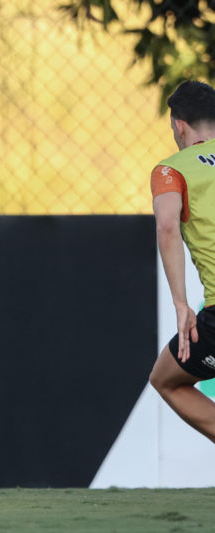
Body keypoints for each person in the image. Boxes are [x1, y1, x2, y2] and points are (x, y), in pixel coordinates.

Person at [149, 80, 215, 445]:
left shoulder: (171, 170)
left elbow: (168, 226)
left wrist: (181, 303)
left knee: (166, 379)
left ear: (179, 124)